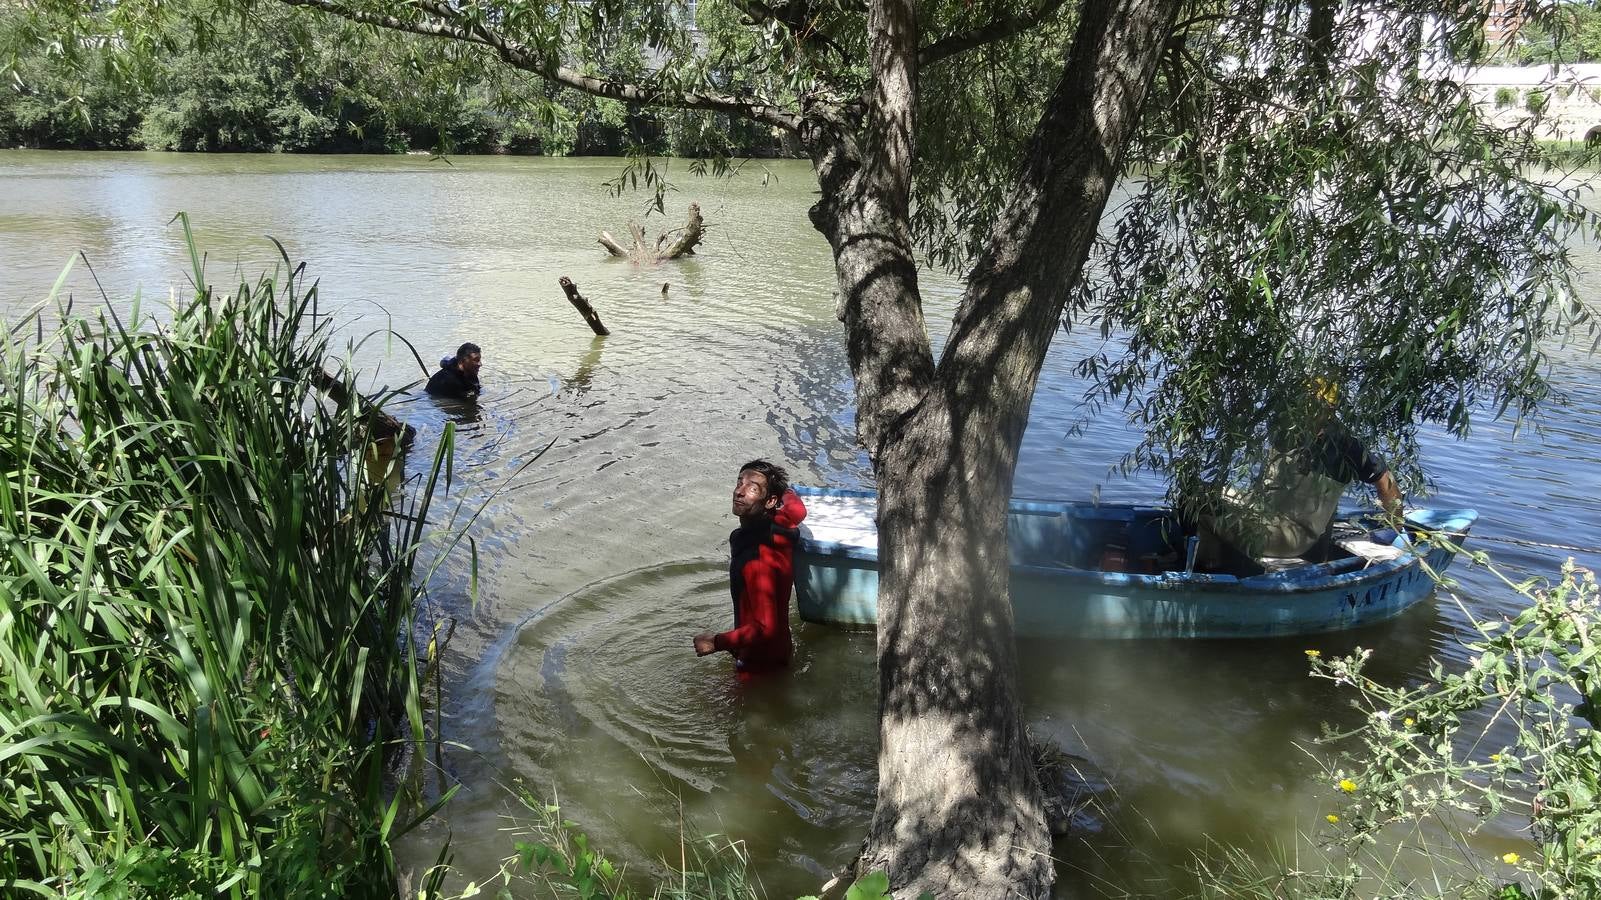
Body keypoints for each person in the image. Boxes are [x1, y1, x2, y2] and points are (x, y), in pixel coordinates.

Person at [1201, 380, 1403, 565]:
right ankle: (1202, 553)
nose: (1308, 409)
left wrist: (1395, 526)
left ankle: (1207, 569)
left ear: (1330, 409)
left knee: (1205, 509)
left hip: (1291, 534)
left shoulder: (1345, 446)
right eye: (1305, 402)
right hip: (1261, 511)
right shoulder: (1285, 430)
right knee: (1197, 494)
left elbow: (1385, 480)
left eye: (1316, 404)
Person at [694, 460, 808, 675]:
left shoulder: (756, 560)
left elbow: (766, 629)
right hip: (779, 652)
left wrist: (716, 642)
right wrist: (787, 492)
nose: (739, 492)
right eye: (740, 483)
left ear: (770, 501)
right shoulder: (782, 523)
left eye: (753, 488)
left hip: (758, 664)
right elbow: (798, 509)